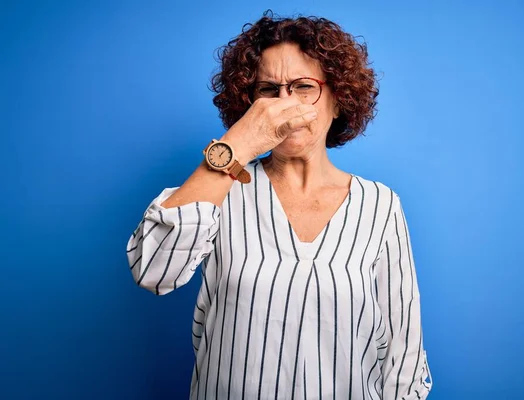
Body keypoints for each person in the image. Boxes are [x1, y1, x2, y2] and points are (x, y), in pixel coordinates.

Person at [127, 11, 433, 399]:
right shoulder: (219, 192)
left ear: (338, 100)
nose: (283, 105)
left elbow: (403, 357)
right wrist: (236, 146)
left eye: (303, 86)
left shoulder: (380, 205)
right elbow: (153, 271)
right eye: (268, 90)